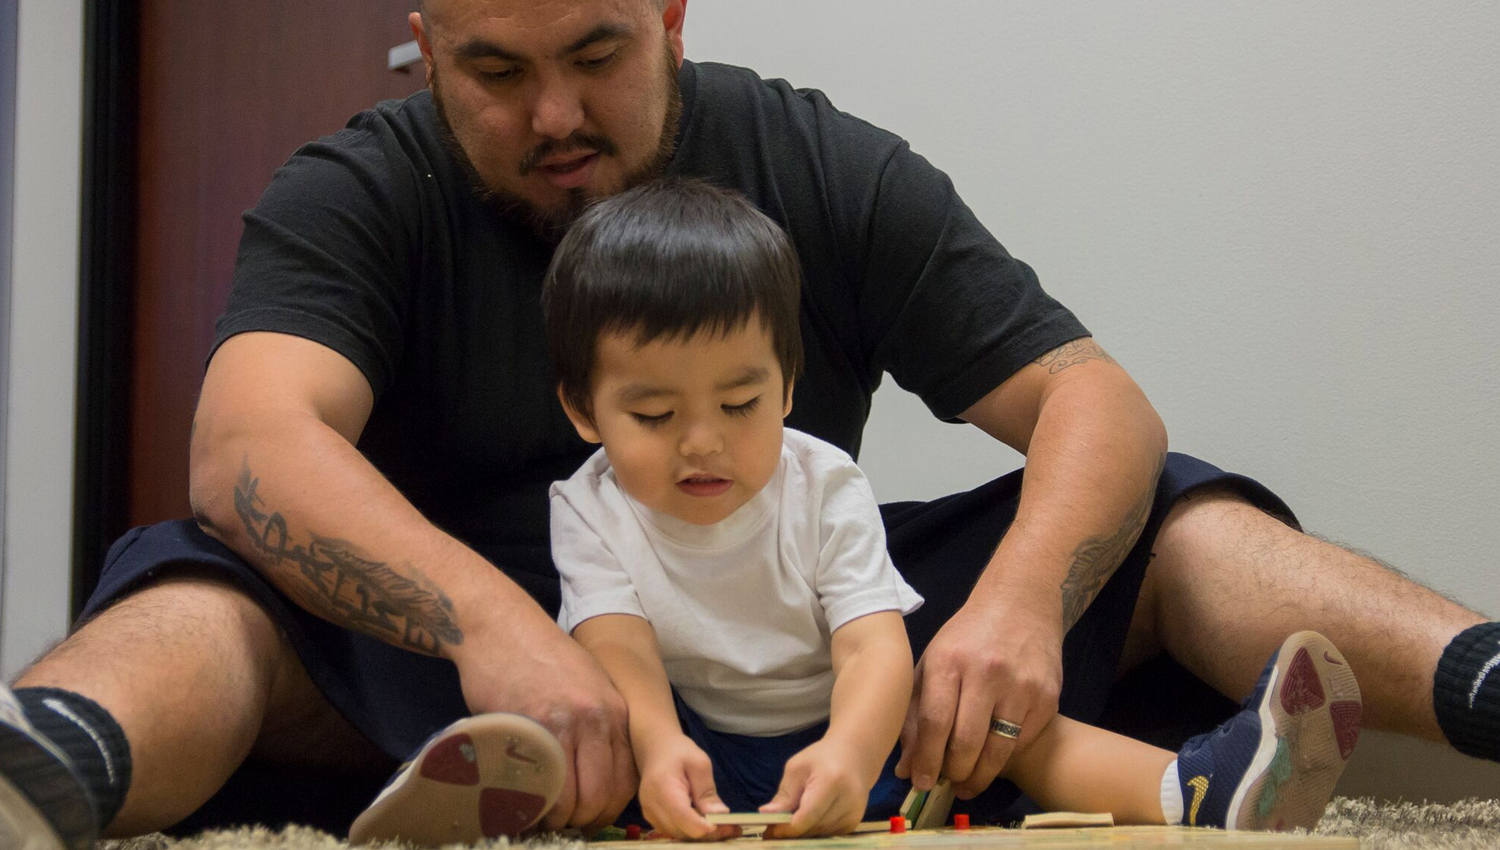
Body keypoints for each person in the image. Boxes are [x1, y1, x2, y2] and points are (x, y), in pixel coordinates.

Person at [0, 1, 1494, 846]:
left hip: (803, 616)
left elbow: (1091, 399)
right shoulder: (358, 189)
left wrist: (1021, 606)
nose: (554, 114)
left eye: (596, 53)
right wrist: (479, 618)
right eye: (497, 72)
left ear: (668, 16)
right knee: (200, 571)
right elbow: (248, 444)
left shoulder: (817, 157)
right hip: (462, 665)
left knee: (1172, 507)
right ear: (427, 43)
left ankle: (1482, 683)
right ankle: (50, 766)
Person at [533, 177, 1364, 840]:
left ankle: (1199, 789)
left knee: (989, 730)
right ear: (582, 409)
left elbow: (870, 651)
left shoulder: (820, 485)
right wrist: (660, 746)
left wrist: (851, 757)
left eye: (741, 404)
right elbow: (622, 654)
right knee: (588, 732)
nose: (703, 443)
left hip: (855, 727)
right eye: (653, 417)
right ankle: (486, 793)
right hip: (690, 750)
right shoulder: (588, 507)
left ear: (786, 386)